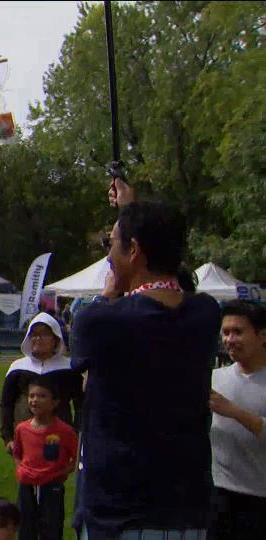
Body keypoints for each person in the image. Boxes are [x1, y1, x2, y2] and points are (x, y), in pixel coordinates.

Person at [70, 193, 221, 539]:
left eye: (111, 243)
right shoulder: (205, 314)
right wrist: (132, 209)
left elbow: (88, 327)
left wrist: (107, 292)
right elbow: (170, 276)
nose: (108, 255)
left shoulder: (101, 322)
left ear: (134, 250)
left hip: (119, 514)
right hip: (187, 511)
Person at [208, 300, 266, 540]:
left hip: (260, 500)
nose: (230, 339)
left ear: (262, 336)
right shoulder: (215, 379)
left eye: (238, 332)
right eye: (226, 332)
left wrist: (233, 411)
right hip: (219, 497)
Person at [0, 313, 83, 454]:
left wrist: (75, 432)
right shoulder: (17, 368)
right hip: (26, 436)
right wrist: (8, 437)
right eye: (34, 334)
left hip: (59, 437)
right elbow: (6, 404)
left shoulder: (69, 368)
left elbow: (81, 405)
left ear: (55, 339)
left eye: (44, 334)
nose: (37, 338)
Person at [11, 377, 78, 540]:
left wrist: (58, 473)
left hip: (52, 486)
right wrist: (22, 470)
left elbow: (76, 458)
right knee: (26, 527)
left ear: (55, 402)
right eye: (31, 396)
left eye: (41, 396)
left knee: (51, 528)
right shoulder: (22, 429)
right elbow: (17, 453)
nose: (35, 400)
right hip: (26, 485)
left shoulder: (65, 431)